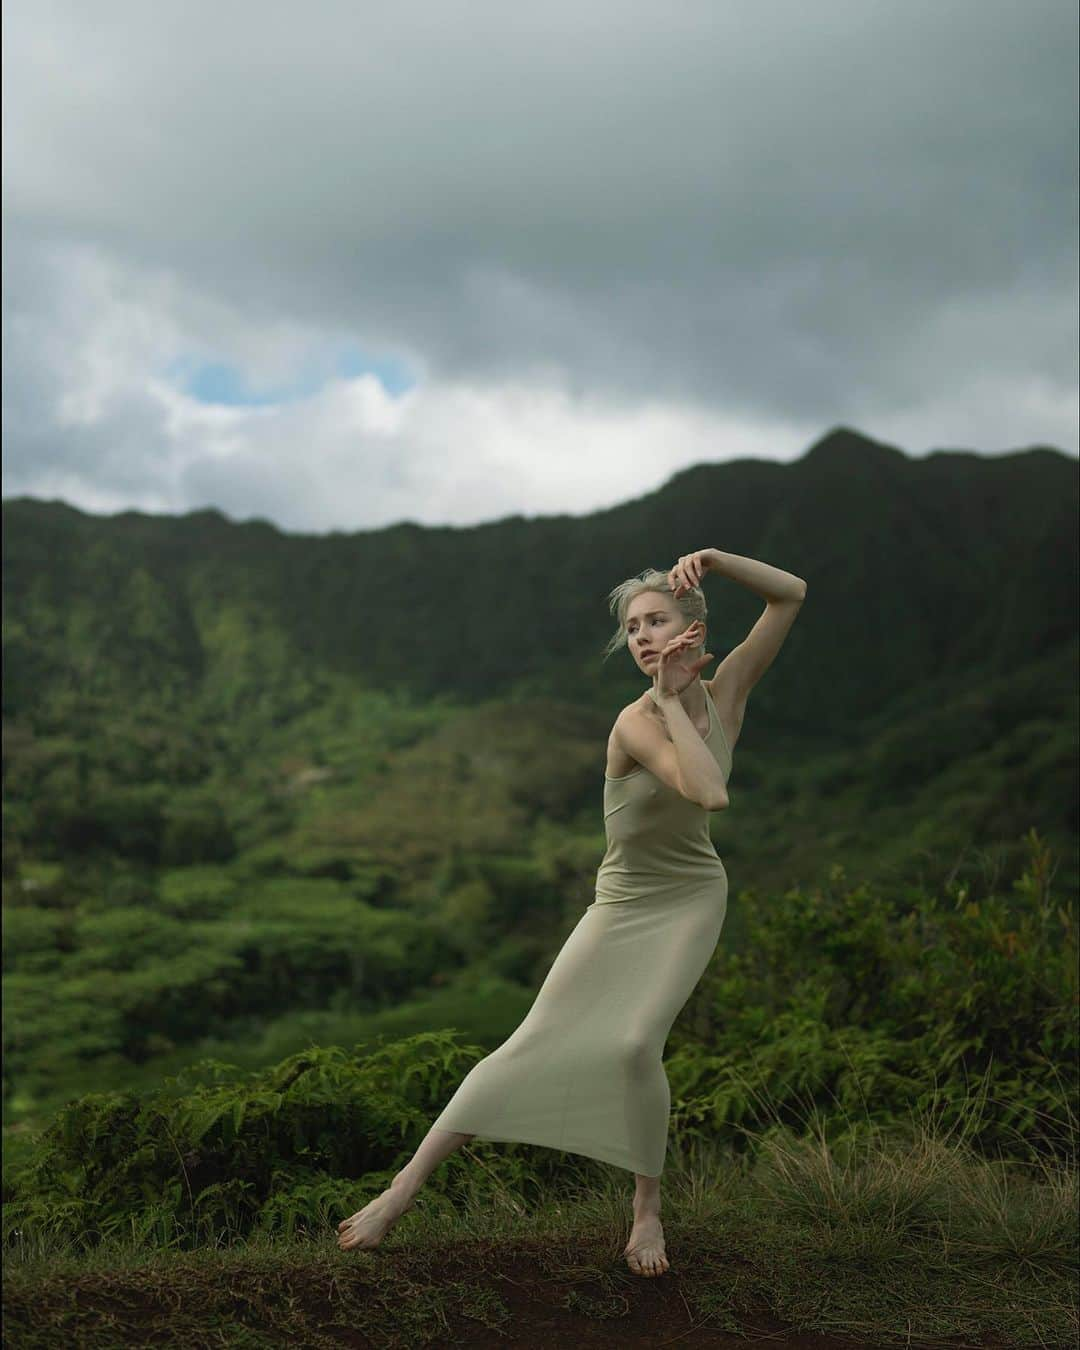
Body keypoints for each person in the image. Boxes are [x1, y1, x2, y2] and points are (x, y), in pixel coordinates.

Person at [337, 547, 806, 1277]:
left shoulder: (728, 690)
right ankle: (402, 1190)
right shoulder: (632, 723)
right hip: (621, 902)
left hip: (690, 897)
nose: (645, 637)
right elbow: (702, 786)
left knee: (632, 1046)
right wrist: (665, 696)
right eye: (634, 628)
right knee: (530, 1039)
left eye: (657, 621)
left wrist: (714, 561)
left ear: (692, 626)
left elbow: (790, 596)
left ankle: (646, 1211)